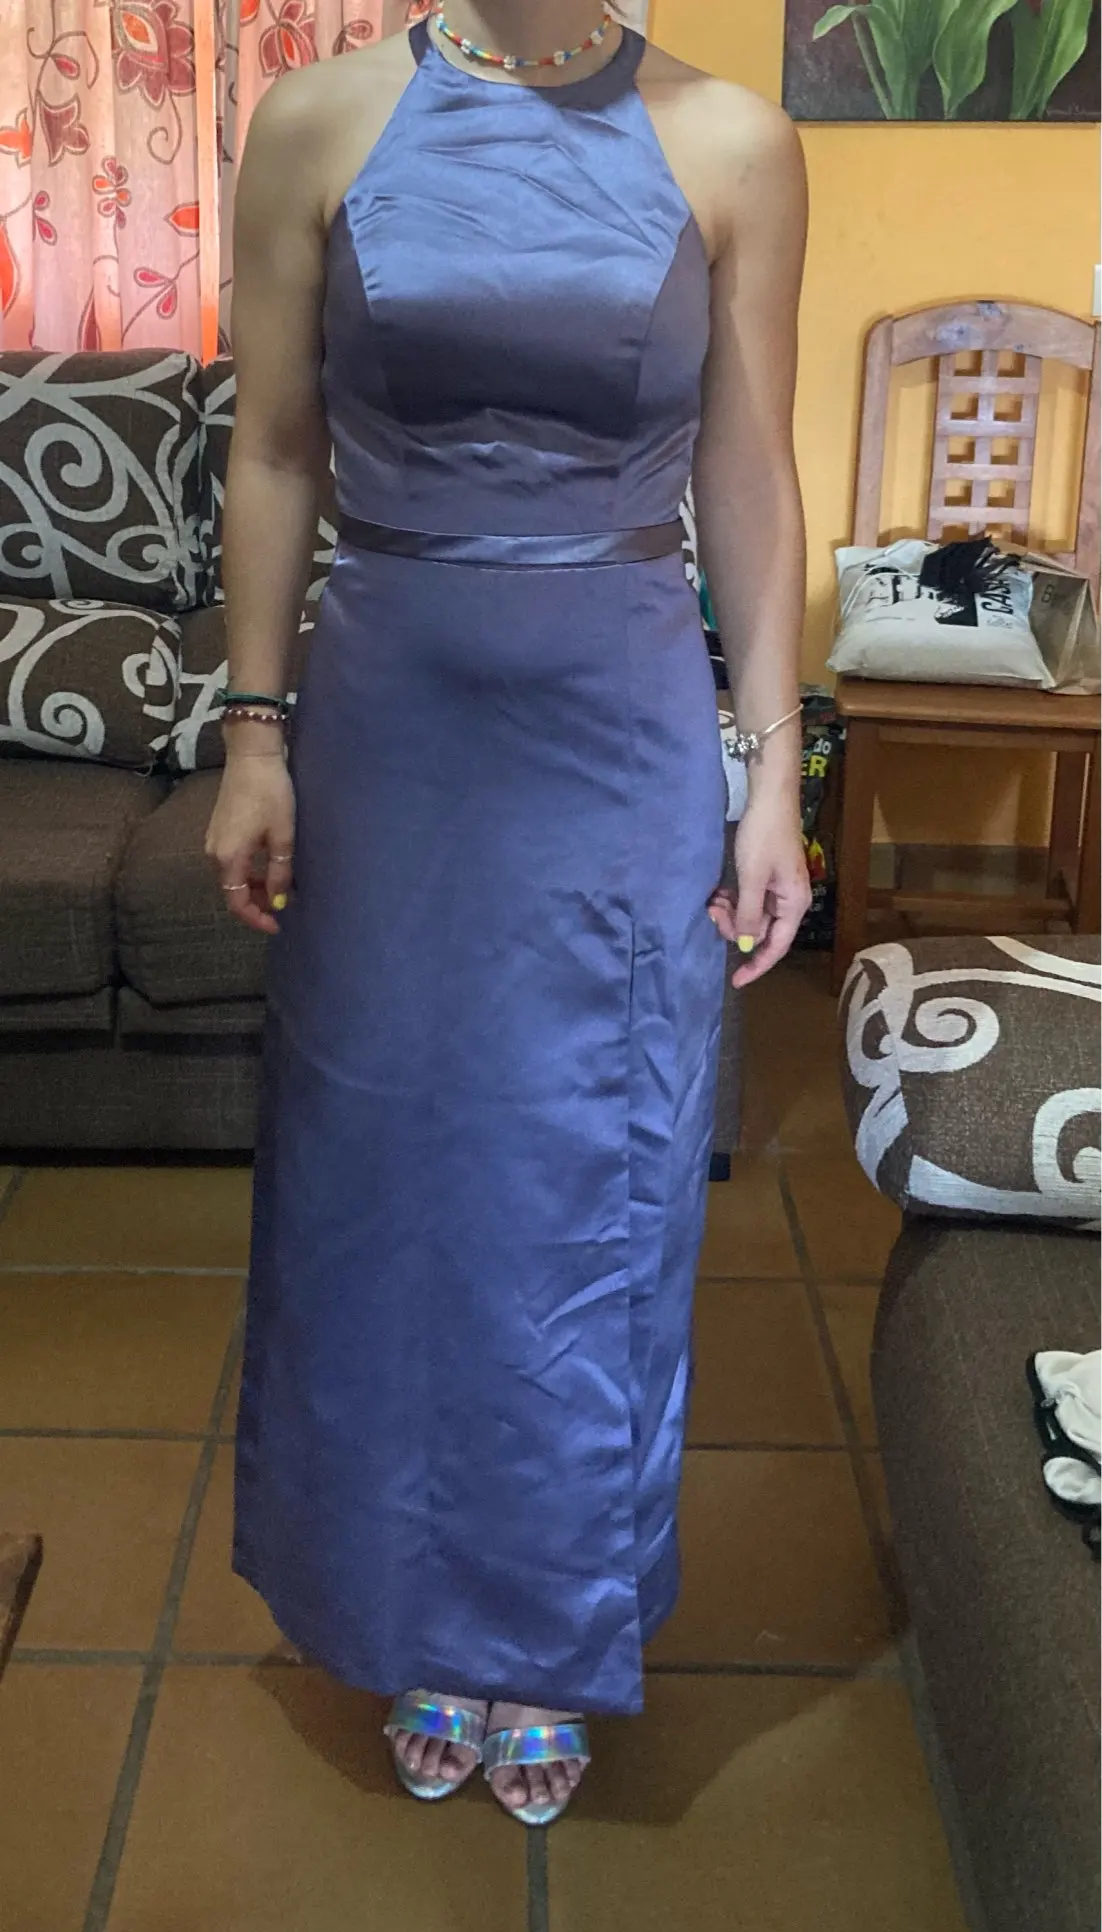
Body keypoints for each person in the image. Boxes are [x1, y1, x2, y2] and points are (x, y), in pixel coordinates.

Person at [205, 0, 810, 1827]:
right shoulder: (315, 120)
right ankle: (407, 1609)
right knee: (382, 1178)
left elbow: (747, 472)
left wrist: (770, 772)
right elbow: (275, 450)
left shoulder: (731, 140)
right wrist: (254, 734)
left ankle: (542, 1630)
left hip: (616, 719)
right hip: (389, 716)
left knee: (585, 1174)